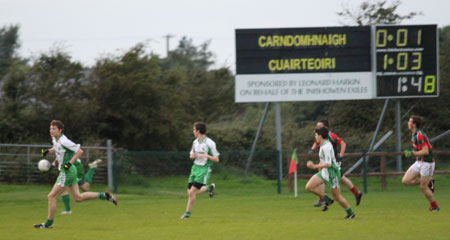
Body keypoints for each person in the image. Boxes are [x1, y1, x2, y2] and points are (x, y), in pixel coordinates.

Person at [34, 120, 118, 229]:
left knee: (51, 196)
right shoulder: (56, 139)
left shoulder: (65, 141)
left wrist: (69, 164)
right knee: (78, 198)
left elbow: (79, 151)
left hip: (67, 172)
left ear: (60, 130)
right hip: (69, 171)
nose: (51, 131)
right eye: (50, 128)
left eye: (54, 129)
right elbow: (58, 150)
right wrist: (48, 151)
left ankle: (48, 224)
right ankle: (104, 195)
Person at [308, 120, 362, 208]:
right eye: (317, 126)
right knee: (322, 174)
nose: (317, 128)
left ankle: (356, 193)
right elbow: (316, 142)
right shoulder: (319, 135)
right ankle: (323, 199)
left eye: (320, 126)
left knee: (341, 178)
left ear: (325, 127)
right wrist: (312, 149)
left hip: (333, 162)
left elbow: (343, 143)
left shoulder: (331, 135)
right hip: (326, 161)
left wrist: (341, 155)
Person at [305, 127, 355, 219]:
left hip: (332, 174)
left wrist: (314, 166)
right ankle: (327, 199)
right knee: (309, 187)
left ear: (320, 136)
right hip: (324, 172)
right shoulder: (323, 144)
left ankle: (350, 213)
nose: (315, 137)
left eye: (316, 135)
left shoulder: (326, 147)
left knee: (337, 197)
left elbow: (328, 164)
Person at [180, 122, 219, 219]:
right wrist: (192, 157)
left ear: (198, 131)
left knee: (192, 192)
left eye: (194, 129)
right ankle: (209, 188)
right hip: (195, 168)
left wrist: (207, 156)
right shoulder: (195, 142)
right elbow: (191, 155)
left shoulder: (210, 143)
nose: (193, 131)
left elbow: (216, 159)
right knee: (189, 192)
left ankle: (187, 214)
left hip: (204, 169)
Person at [402, 115, 439, 211]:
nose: (408, 123)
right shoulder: (414, 134)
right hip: (419, 161)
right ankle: (429, 182)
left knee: (423, 187)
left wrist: (412, 153)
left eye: (410, 121)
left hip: (427, 163)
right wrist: (414, 153)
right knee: (405, 181)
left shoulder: (419, 135)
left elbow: (426, 151)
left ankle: (434, 206)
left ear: (414, 124)